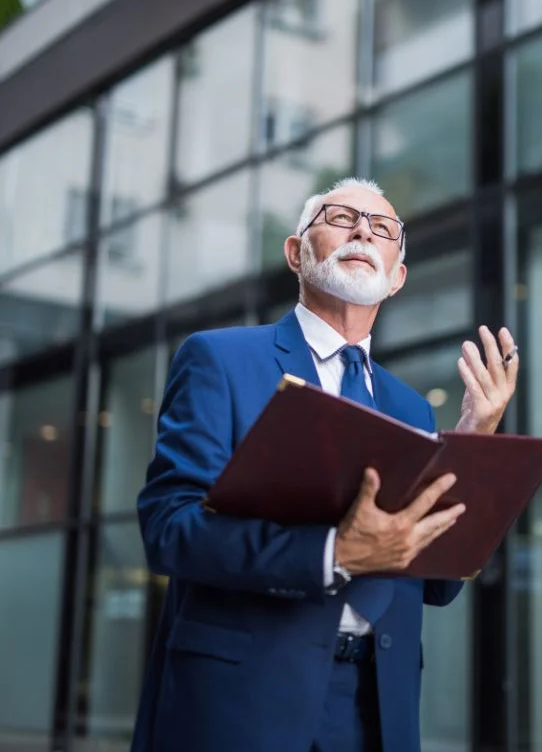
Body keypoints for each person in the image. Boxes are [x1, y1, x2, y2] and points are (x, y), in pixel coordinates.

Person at [131, 177, 519, 752]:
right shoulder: (221, 360)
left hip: (374, 710)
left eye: (384, 228)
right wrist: (334, 554)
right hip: (242, 702)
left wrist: (472, 442)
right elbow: (170, 531)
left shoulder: (410, 407)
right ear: (296, 253)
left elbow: (436, 584)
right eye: (341, 218)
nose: (364, 229)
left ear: (397, 278)